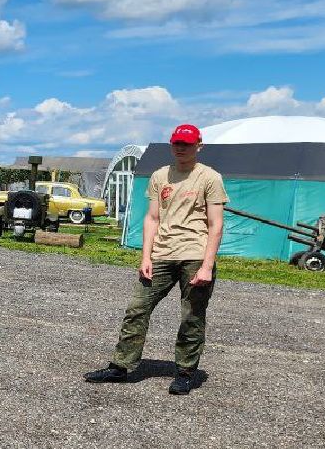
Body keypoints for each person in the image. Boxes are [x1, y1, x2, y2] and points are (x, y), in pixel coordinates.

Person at [85, 123, 227, 395]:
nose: (181, 148)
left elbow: (216, 224)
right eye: (177, 143)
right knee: (137, 308)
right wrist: (145, 256)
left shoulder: (210, 177)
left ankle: (185, 372)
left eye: (187, 144)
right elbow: (152, 218)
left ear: (199, 145)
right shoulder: (160, 175)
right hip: (161, 254)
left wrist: (207, 266)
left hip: (195, 255)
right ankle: (120, 366)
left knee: (192, 316)